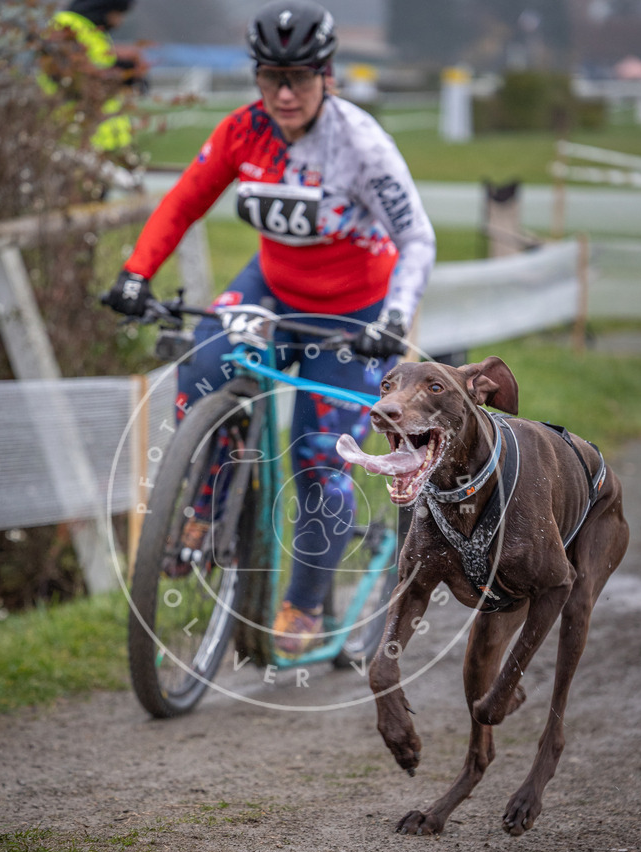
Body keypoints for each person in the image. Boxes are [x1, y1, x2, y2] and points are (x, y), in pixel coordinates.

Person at [105, 0, 436, 656]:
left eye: (300, 79)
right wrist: (135, 274)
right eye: (269, 78)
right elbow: (182, 202)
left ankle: (304, 603)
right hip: (273, 290)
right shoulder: (242, 130)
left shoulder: (360, 145)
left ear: (326, 75)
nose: (284, 94)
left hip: (352, 313)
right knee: (204, 364)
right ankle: (203, 506)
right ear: (256, 77)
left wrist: (393, 321)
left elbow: (416, 237)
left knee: (317, 455)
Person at [37, 0, 144, 153]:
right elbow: (71, 76)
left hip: (103, 140)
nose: (119, 22)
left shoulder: (91, 30)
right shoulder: (66, 25)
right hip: (79, 136)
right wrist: (121, 72)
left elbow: (93, 66)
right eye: (119, 13)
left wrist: (119, 63)